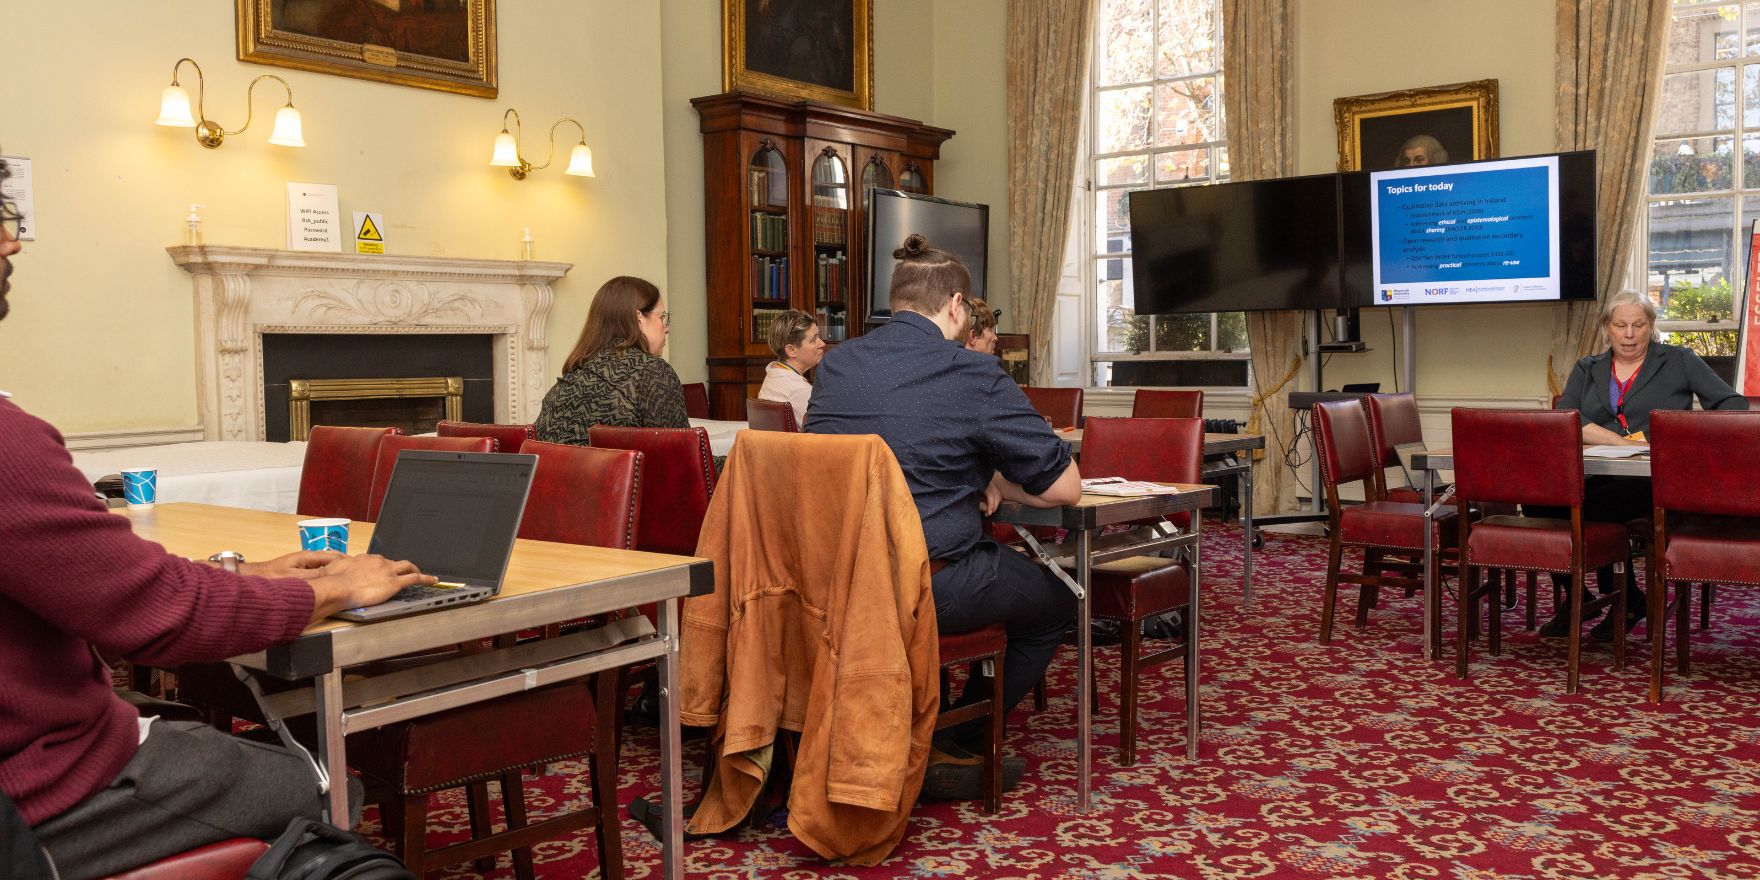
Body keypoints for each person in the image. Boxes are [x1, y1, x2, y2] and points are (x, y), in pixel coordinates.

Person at [0, 159, 438, 880]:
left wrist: (237, 574)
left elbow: (101, 588)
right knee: (330, 783)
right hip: (49, 786)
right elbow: (161, 615)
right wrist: (337, 589)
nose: (14, 244)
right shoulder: (7, 442)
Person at [806, 234, 1081, 800]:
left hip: (837, 577)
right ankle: (960, 736)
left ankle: (926, 729)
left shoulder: (835, 367)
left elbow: (886, 453)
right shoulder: (971, 373)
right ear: (956, 305)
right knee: (1058, 604)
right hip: (926, 581)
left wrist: (974, 474)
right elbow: (1064, 488)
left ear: (896, 301)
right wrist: (1005, 487)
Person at [1535, 288, 1748, 640]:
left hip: (1655, 478)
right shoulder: (1588, 368)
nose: (1629, 334)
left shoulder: (1679, 360)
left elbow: (1733, 406)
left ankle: (1626, 598)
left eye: (1638, 325)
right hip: (1597, 469)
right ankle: (1579, 594)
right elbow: (1566, 417)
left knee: (1596, 507)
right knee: (1540, 500)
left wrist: (1684, 440)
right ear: (1607, 328)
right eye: (1621, 325)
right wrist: (1619, 441)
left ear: (1651, 326)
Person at [534, 276, 687, 445]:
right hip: (607, 471)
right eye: (661, 318)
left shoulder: (574, 373)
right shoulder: (653, 372)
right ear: (639, 319)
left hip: (553, 470)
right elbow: (680, 456)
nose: (666, 329)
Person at [758, 309, 824, 426]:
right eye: (813, 340)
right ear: (791, 350)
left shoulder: (773, 373)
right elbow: (826, 431)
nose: (822, 344)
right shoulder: (797, 389)